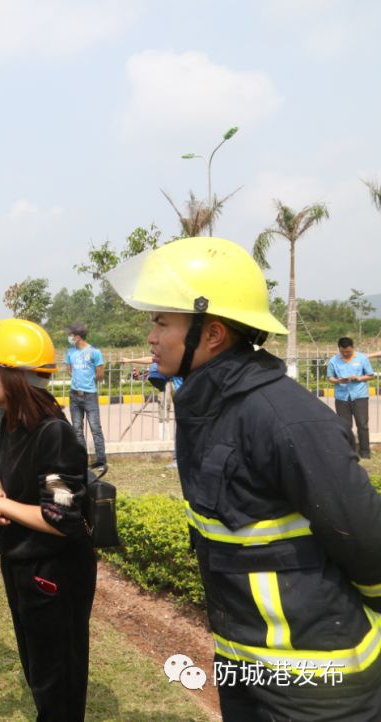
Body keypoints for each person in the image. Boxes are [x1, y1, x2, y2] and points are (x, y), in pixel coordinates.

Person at [106, 236, 381, 720]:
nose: (150, 336)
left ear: (211, 335)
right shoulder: (208, 406)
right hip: (243, 662)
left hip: (315, 679)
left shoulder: (284, 418)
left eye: (162, 321)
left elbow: (364, 537)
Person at [0, 318, 96, 722]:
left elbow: (60, 518)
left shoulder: (53, 434)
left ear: (13, 376)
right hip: (21, 563)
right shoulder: (13, 422)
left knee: (58, 676)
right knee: (38, 667)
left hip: (54, 570)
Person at [64, 323, 106, 467]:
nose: (69, 338)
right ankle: (82, 461)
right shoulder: (70, 352)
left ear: (77, 337)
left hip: (89, 395)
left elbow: (100, 374)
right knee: (77, 429)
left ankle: (100, 460)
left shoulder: (95, 352)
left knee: (95, 428)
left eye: (71, 335)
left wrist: (88, 381)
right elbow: (69, 369)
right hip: (74, 395)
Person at [326, 337, 373, 460]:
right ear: (339, 349)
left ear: (353, 348)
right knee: (345, 426)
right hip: (342, 397)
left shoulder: (362, 358)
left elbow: (370, 375)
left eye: (348, 351)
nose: (346, 353)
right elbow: (330, 378)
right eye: (343, 351)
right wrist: (338, 380)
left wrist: (358, 378)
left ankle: (365, 452)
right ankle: (348, 452)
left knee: (362, 425)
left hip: (360, 396)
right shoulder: (333, 361)